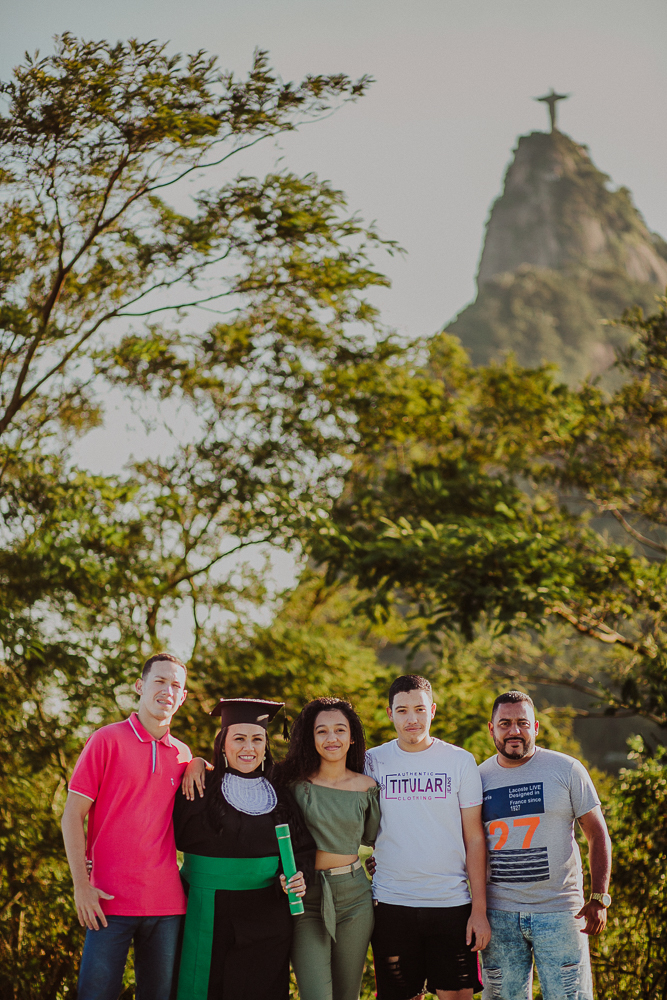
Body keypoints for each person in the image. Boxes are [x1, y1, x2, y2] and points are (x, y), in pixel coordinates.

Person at [61, 652, 203, 1000]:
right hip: (107, 901)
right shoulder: (106, 740)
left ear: (182, 696)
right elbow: (71, 816)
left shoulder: (183, 754)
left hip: (167, 904)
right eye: (159, 680)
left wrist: (199, 761)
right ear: (140, 685)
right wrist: (81, 886)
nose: (167, 690)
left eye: (176, 685)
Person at [172, 697, 316, 1000]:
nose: (248, 748)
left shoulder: (281, 794)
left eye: (257, 739)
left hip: (267, 917)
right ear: (223, 743)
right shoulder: (197, 787)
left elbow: (302, 850)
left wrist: (298, 875)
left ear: (265, 746)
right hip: (205, 912)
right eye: (239, 738)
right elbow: (158, 838)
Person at [479, 690, 612, 1000]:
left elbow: (597, 834)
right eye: (505, 723)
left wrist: (599, 896)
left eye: (522, 723)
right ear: (491, 728)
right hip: (499, 915)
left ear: (535, 727)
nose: (514, 731)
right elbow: (466, 842)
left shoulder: (566, 769)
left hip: (562, 912)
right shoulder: (478, 777)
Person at [364, 674, 490, 1000]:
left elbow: (475, 838)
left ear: (432, 711)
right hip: (392, 904)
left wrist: (479, 910)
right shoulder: (372, 761)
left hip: (451, 904)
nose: (412, 719)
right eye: (402, 710)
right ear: (390, 713)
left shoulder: (460, 761)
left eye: (419, 709)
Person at [273, 697, 380, 1000]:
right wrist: (200, 763)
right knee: (315, 994)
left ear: (352, 737)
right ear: (310, 737)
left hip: (355, 898)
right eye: (322, 731)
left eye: (340, 730)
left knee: (348, 994)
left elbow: (377, 840)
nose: (331, 738)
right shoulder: (292, 784)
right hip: (306, 898)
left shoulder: (368, 787)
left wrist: (377, 864)